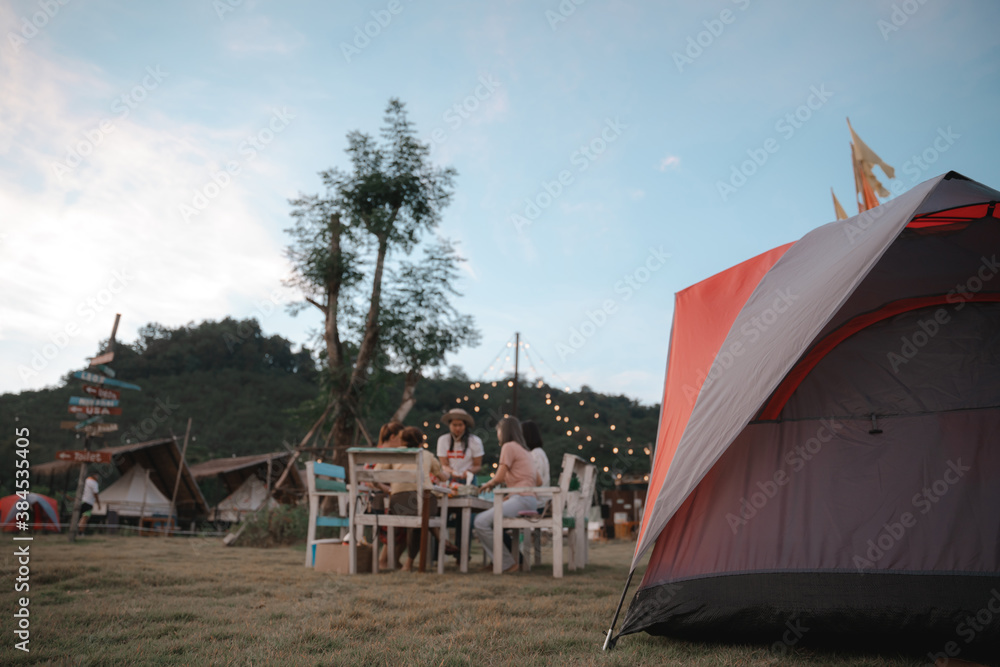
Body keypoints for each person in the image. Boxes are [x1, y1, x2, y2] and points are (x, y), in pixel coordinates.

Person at [475, 417, 541, 573]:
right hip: (530, 500)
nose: (498, 434)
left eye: (498, 430)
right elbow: (539, 480)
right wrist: (514, 492)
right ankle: (502, 561)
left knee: (480, 522)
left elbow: (498, 477)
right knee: (490, 522)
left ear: (503, 431)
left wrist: (487, 485)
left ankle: (507, 563)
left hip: (521, 499)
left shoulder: (508, 446)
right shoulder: (526, 451)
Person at [386, 426, 453, 571]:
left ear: (402, 441)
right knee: (423, 514)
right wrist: (448, 472)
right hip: (422, 501)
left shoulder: (393, 453)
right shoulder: (426, 454)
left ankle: (410, 562)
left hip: (397, 504)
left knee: (419, 517)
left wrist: (388, 489)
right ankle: (411, 561)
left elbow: (374, 476)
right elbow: (441, 476)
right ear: (420, 443)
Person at [436, 408, 484, 484]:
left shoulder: (475, 441)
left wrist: (468, 472)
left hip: (469, 479)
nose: (457, 428)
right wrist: (452, 472)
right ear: (449, 425)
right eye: (454, 425)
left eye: (460, 425)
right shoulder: (443, 440)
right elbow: (444, 464)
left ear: (465, 425)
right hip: (449, 478)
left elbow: (477, 465)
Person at [521, 420, 550, 512]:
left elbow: (535, 481)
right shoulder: (538, 453)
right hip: (540, 500)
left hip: (538, 503)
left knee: (502, 511)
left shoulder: (535, 455)